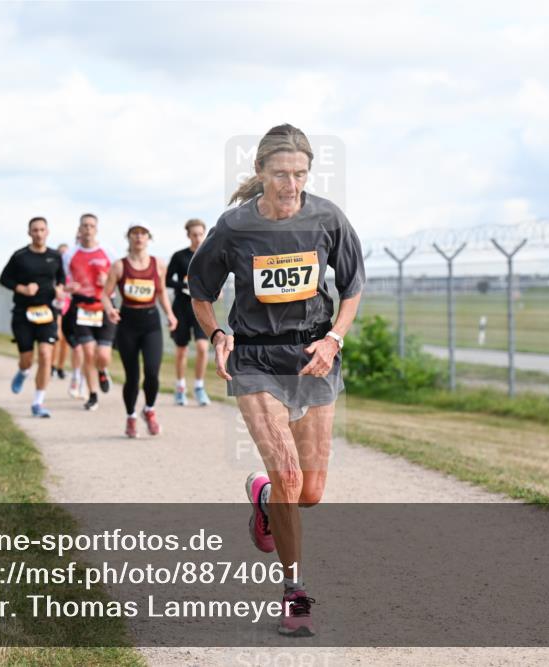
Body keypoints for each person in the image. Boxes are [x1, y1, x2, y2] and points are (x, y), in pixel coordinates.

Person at [188, 124, 365, 637]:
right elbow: (201, 290)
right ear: (260, 171)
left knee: (308, 493)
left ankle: (264, 500)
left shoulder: (327, 217)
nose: (291, 184)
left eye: (301, 174)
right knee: (289, 475)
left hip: (313, 356)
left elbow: (351, 288)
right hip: (256, 359)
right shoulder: (235, 226)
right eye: (282, 173)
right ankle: (294, 592)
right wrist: (218, 333)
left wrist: (334, 339)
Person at [101, 223, 177, 437]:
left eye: (143, 234)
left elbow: (161, 292)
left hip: (151, 322)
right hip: (128, 323)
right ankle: (131, 417)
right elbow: (105, 295)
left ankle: (149, 411)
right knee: (132, 376)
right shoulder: (119, 266)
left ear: (148, 238)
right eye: (135, 234)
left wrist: (170, 314)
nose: (139, 237)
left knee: (152, 372)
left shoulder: (158, 264)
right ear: (129, 238)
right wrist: (110, 310)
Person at [0, 217, 66, 418]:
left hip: (47, 312)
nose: (38, 233)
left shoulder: (55, 256)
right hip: (23, 313)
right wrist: (22, 288)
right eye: (35, 230)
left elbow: (61, 277)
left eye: (42, 230)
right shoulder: (20, 256)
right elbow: (4, 279)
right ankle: (22, 372)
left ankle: (38, 402)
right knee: (27, 360)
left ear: (48, 232)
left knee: (46, 355)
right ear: (29, 233)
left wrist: (60, 289)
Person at [63, 213, 117, 410]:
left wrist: (108, 281)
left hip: (104, 307)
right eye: (84, 225)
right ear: (79, 228)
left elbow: (119, 277)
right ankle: (93, 394)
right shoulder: (69, 255)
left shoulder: (108, 251)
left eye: (91, 225)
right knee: (87, 352)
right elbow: (63, 282)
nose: (88, 229)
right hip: (82, 308)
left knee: (103, 355)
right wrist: (69, 288)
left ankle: (103, 370)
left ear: (96, 229)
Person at [167, 218, 211, 406]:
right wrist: (183, 284)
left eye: (201, 234)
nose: (198, 238)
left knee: (202, 348)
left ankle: (199, 387)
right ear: (188, 235)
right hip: (181, 308)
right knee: (182, 349)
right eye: (194, 235)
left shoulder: (208, 255)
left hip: (201, 307)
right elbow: (167, 280)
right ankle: (180, 388)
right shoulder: (179, 256)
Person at [53, 243, 71, 381]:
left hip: (69, 309)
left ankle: (60, 367)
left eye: (66, 253)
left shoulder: (73, 272)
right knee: (57, 336)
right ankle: (52, 365)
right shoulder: (54, 273)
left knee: (65, 340)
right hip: (56, 307)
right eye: (61, 253)